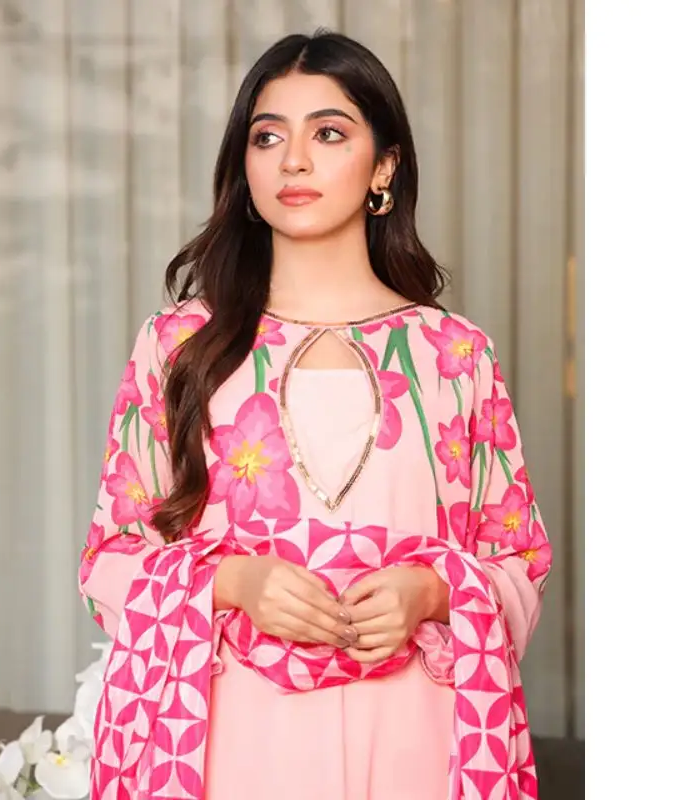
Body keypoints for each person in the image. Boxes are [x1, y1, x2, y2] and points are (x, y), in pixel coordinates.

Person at [78, 30, 551, 800]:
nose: (293, 160)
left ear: (384, 167)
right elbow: (108, 563)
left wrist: (432, 593)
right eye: (268, 137)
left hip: (415, 735)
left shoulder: (453, 355)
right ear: (245, 167)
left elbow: (519, 561)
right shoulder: (181, 347)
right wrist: (233, 581)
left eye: (329, 133)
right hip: (228, 740)